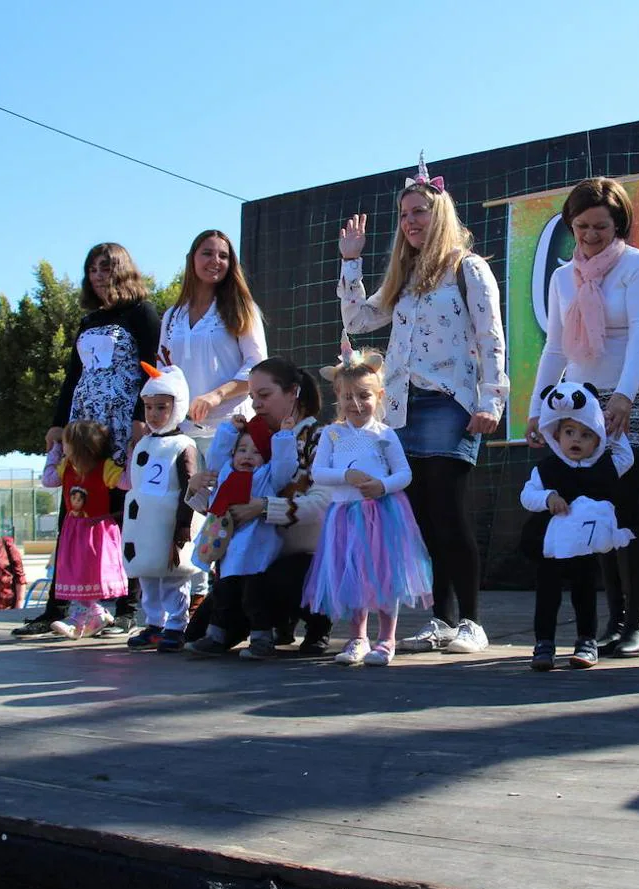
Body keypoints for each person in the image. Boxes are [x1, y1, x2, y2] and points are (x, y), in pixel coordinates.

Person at [337, 156, 508, 655]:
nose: (411, 221)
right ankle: (441, 618)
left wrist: (492, 399)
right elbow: (358, 319)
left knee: (450, 512)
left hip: (450, 402)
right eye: (405, 214)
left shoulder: (467, 268)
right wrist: (352, 260)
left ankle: (473, 621)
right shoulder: (404, 279)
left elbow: (491, 336)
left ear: (441, 215)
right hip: (403, 410)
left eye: (420, 212)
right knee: (423, 520)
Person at [524, 177, 639, 658]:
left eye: (600, 226)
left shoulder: (636, 265)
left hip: (638, 386)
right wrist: (535, 409)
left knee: (624, 494)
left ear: (618, 223)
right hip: (584, 396)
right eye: (581, 226)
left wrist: (624, 396)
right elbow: (555, 348)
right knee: (594, 498)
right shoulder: (563, 278)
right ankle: (611, 620)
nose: (590, 235)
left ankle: (638, 621)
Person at [14, 243, 159, 638]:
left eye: (105, 267)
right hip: (83, 423)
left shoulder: (142, 314)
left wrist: (139, 420)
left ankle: (126, 606)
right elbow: (72, 377)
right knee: (75, 506)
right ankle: (57, 606)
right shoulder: (88, 320)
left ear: (122, 270)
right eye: (92, 268)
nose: (97, 275)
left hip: (121, 421)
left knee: (119, 507)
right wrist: (58, 424)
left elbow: (153, 368)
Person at [183, 358, 333, 657]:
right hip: (254, 556)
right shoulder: (255, 439)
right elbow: (227, 506)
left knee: (275, 580)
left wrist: (264, 508)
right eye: (252, 397)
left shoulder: (322, 437)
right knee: (198, 634)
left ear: (293, 392)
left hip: (304, 556)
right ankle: (278, 622)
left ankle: (317, 623)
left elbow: (323, 504)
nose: (256, 405)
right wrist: (196, 490)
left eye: (264, 396)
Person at [160, 229, 268, 621]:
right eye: (207, 254)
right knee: (182, 519)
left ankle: (226, 609)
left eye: (223, 256)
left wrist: (218, 395)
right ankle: (179, 613)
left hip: (231, 429)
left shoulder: (241, 307)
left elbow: (257, 366)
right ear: (192, 258)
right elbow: (165, 369)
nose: (215, 262)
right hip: (184, 432)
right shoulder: (172, 315)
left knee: (228, 516)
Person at [302, 345, 431, 666]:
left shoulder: (385, 434)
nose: (356, 404)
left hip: (383, 514)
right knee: (353, 573)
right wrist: (347, 474)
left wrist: (381, 485)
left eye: (364, 396)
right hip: (345, 515)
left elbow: (404, 474)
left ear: (379, 395)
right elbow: (318, 472)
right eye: (348, 397)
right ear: (338, 396)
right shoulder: (331, 434)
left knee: (386, 575)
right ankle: (358, 636)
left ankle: (387, 639)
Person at [520, 381, 635, 671]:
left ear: (597, 439)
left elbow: (627, 457)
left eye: (586, 434)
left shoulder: (607, 465)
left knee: (585, 593)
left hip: (584, 551)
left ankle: (586, 642)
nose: (576, 440)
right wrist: (548, 498)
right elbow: (527, 496)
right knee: (547, 595)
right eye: (569, 432)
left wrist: (611, 430)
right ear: (555, 435)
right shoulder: (546, 469)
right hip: (551, 550)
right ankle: (544, 644)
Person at [185, 413, 297, 658]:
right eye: (242, 450)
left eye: (256, 452)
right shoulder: (225, 473)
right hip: (226, 551)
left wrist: (285, 437)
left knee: (254, 600)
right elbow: (215, 456)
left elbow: (284, 466)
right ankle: (215, 637)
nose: (247, 456)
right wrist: (228, 431)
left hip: (256, 554)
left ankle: (262, 639)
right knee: (223, 596)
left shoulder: (267, 477)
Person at [122, 363, 201, 653]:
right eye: (149, 407)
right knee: (148, 577)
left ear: (176, 407)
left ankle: (176, 625)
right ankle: (154, 623)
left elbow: (189, 487)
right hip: (144, 528)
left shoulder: (182, 444)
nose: (154, 415)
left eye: (161, 408)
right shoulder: (143, 444)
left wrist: (183, 526)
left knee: (173, 580)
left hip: (169, 527)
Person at [42, 420, 129, 639]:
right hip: (75, 530)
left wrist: (132, 455)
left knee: (88, 572)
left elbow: (127, 483)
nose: (63, 447)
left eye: (65, 443)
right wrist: (54, 452)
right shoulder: (66, 467)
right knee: (77, 573)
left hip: (97, 531)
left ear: (79, 446)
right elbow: (48, 479)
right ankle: (92, 615)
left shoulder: (104, 467)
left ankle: (83, 617)